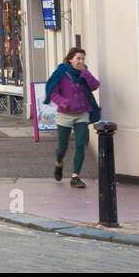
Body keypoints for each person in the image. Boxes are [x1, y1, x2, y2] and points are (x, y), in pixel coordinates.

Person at [44, 46, 100, 189]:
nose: (80, 61)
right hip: (65, 114)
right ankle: (58, 163)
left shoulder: (83, 72)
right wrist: (63, 102)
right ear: (70, 59)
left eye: (82, 59)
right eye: (78, 58)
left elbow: (95, 85)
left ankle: (75, 177)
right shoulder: (61, 72)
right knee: (62, 147)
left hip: (82, 113)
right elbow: (53, 92)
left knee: (81, 144)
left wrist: (85, 73)